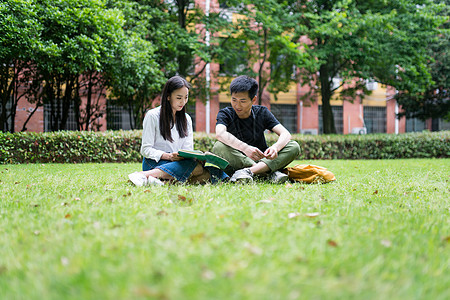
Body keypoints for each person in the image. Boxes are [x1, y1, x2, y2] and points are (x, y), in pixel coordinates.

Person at [128, 75, 228, 186]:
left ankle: (160, 182)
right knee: (197, 169)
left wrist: (196, 157)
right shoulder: (153, 116)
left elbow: (188, 150)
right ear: (168, 96)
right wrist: (168, 156)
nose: (183, 102)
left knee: (204, 171)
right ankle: (144, 174)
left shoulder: (187, 119)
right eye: (179, 98)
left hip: (179, 164)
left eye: (186, 97)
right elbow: (145, 149)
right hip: (155, 163)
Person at [212, 75, 300, 183]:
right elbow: (220, 134)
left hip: (262, 158)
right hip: (237, 160)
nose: (237, 105)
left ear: (253, 99)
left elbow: (285, 134)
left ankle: (249, 172)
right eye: (234, 100)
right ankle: (267, 172)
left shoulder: (262, 112)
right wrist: (245, 148)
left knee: (294, 146)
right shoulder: (225, 113)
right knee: (218, 146)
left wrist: (275, 148)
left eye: (243, 101)